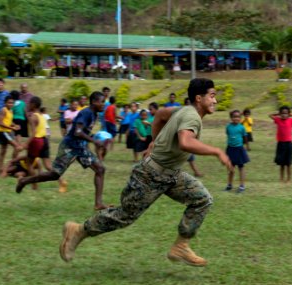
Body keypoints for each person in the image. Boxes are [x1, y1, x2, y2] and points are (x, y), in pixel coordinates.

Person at [57, 78, 232, 267]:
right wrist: (217, 151)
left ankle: (181, 246)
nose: (215, 101)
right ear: (199, 98)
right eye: (212, 96)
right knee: (123, 216)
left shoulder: (182, 110)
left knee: (202, 199)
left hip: (171, 174)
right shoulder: (191, 116)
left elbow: (161, 115)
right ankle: (78, 230)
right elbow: (185, 142)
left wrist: (154, 141)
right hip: (151, 174)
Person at [16, 92, 109, 210]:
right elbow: (78, 132)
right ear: (94, 102)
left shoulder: (94, 114)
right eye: (102, 102)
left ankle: (98, 203)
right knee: (54, 174)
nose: (103, 105)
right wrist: (95, 141)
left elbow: (84, 131)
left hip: (81, 147)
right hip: (70, 146)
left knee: (100, 169)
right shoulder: (86, 112)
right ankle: (24, 181)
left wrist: (95, 138)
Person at [23, 97, 67, 193]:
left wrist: (26, 144)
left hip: (36, 141)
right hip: (45, 141)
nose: (28, 105)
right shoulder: (41, 115)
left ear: (34, 105)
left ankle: (34, 185)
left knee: (29, 163)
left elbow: (33, 132)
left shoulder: (33, 117)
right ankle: (62, 181)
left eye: (29, 103)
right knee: (48, 166)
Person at [269, 106, 292, 183]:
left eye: (286, 113)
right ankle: (281, 178)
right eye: (282, 113)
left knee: (288, 163)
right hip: (280, 144)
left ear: (288, 114)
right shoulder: (277, 119)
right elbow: (270, 115)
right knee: (281, 163)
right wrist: (278, 113)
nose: (284, 115)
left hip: (288, 144)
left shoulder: (291, 120)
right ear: (280, 114)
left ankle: (289, 179)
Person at [225, 110, 250, 193]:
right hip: (230, 149)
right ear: (231, 118)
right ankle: (229, 185)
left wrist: (247, 146)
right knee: (231, 168)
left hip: (239, 149)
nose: (236, 118)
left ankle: (242, 185)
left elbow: (245, 137)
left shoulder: (242, 127)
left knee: (241, 167)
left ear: (240, 118)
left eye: (238, 117)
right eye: (234, 116)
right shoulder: (228, 127)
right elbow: (228, 134)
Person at [0, 96, 22, 175]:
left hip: (8, 132)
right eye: (9, 102)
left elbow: (9, 121)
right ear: (5, 103)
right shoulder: (3, 110)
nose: (11, 104)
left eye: (12, 103)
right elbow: (0, 123)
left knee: (3, 151)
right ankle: (11, 166)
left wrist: (15, 125)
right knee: (17, 147)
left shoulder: (10, 111)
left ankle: (2, 169)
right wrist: (11, 128)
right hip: (3, 132)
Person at [11, 90, 28, 158]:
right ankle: (17, 151)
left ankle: (16, 153)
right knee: (19, 136)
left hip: (14, 120)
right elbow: (25, 112)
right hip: (22, 120)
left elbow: (11, 112)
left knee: (15, 137)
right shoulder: (23, 103)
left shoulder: (12, 103)